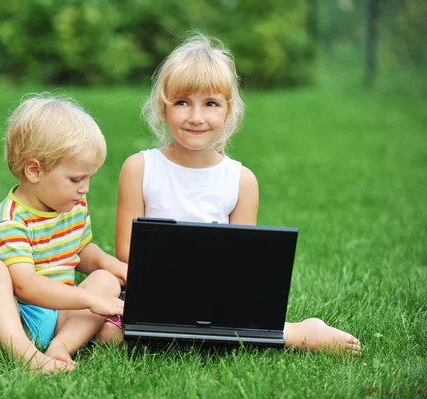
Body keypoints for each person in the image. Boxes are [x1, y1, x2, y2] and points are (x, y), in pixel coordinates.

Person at [98, 32, 362, 356]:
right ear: (163, 109)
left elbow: (242, 261)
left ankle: (302, 331)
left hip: (212, 295)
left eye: (210, 104)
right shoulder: (139, 168)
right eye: (182, 102)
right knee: (110, 337)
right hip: (155, 289)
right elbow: (126, 250)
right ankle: (262, 332)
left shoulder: (241, 180)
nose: (196, 117)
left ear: (229, 112)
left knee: (227, 328)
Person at [0, 93, 128, 374]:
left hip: (58, 312)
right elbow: (26, 286)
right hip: (11, 319)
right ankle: (26, 355)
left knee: (106, 280)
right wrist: (90, 301)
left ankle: (60, 346)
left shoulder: (72, 204)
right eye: (76, 179)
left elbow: (81, 251)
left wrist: (114, 267)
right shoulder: (10, 221)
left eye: (89, 178)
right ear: (34, 171)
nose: (85, 189)